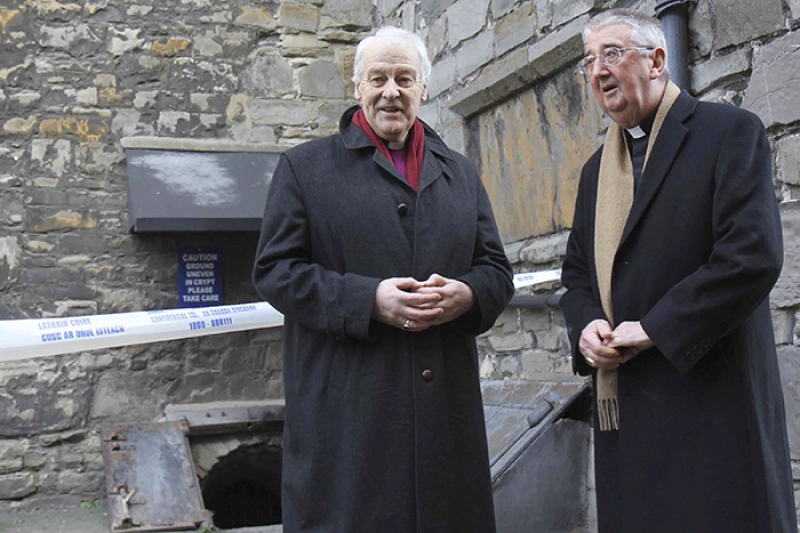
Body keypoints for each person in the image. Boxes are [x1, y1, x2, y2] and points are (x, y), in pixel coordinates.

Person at [252, 26, 513, 533]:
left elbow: (497, 271)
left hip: (444, 422)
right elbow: (274, 272)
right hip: (349, 421)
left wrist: (468, 294)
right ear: (357, 88)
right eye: (378, 78)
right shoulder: (304, 168)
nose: (390, 91)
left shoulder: (460, 172)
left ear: (424, 89)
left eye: (404, 78)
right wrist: (367, 299)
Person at [560, 8, 797, 533]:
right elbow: (576, 275)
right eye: (589, 60)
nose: (598, 70)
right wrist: (585, 328)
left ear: (658, 61)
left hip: (712, 405)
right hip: (630, 416)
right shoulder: (596, 172)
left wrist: (655, 328)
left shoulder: (729, 132)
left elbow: (751, 255)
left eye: (613, 54)